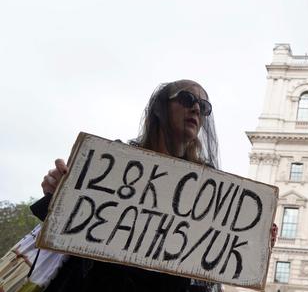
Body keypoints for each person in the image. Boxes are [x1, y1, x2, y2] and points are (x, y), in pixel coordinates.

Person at [35, 79, 277, 292]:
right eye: (187, 98)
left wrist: (255, 242)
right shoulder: (118, 158)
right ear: (161, 108)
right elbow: (72, 221)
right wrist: (56, 190)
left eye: (204, 107)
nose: (196, 108)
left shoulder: (207, 182)